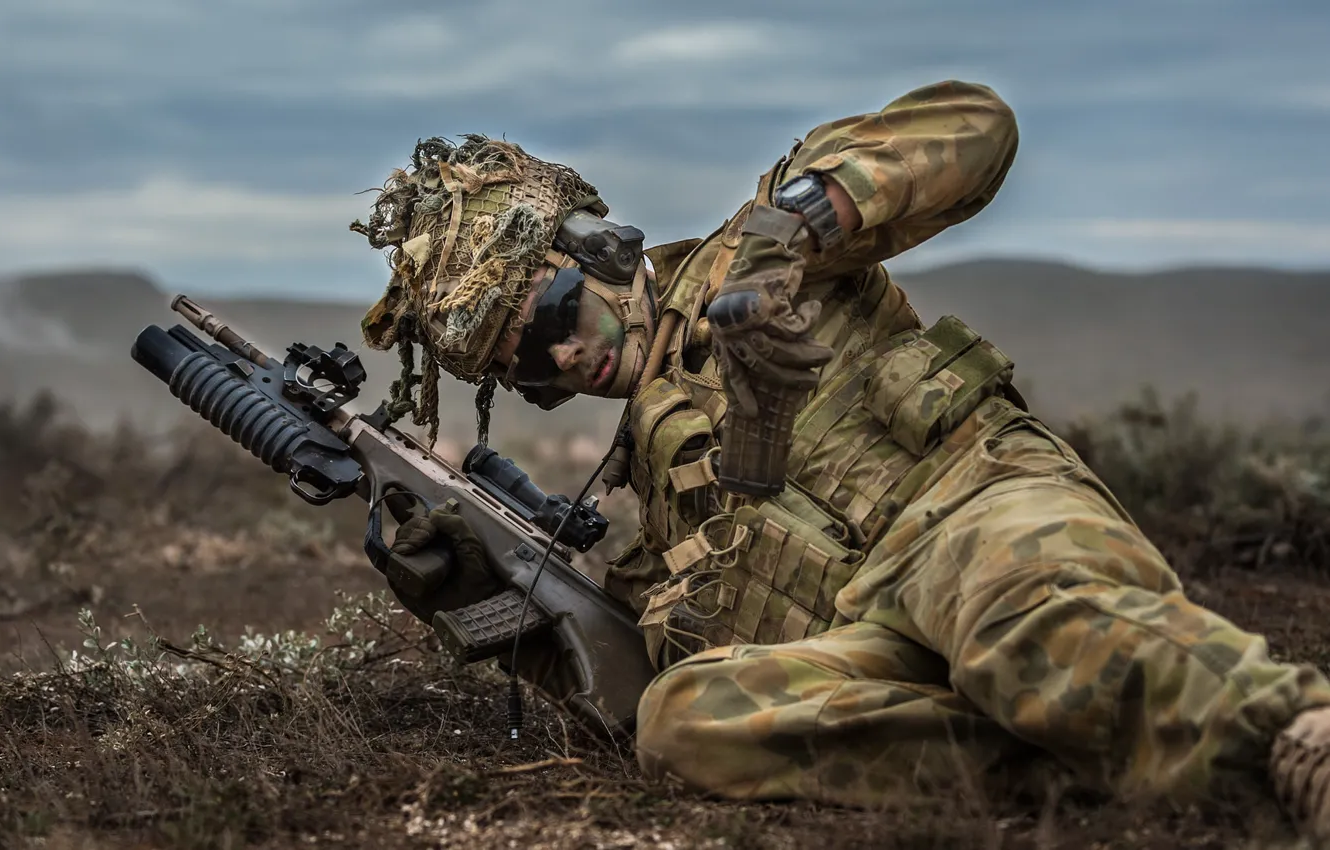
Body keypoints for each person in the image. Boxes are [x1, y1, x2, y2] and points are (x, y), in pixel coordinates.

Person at [352, 80, 1330, 838]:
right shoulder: (656, 507)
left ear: (599, 248)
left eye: (554, 315)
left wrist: (797, 231)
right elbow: (618, 678)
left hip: (973, 508)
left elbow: (976, 126)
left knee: (1019, 616)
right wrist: (480, 601)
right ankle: (1085, 755)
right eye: (529, 366)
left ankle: (1296, 738)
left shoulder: (762, 245)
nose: (563, 356)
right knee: (685, 718)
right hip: (876, 634)